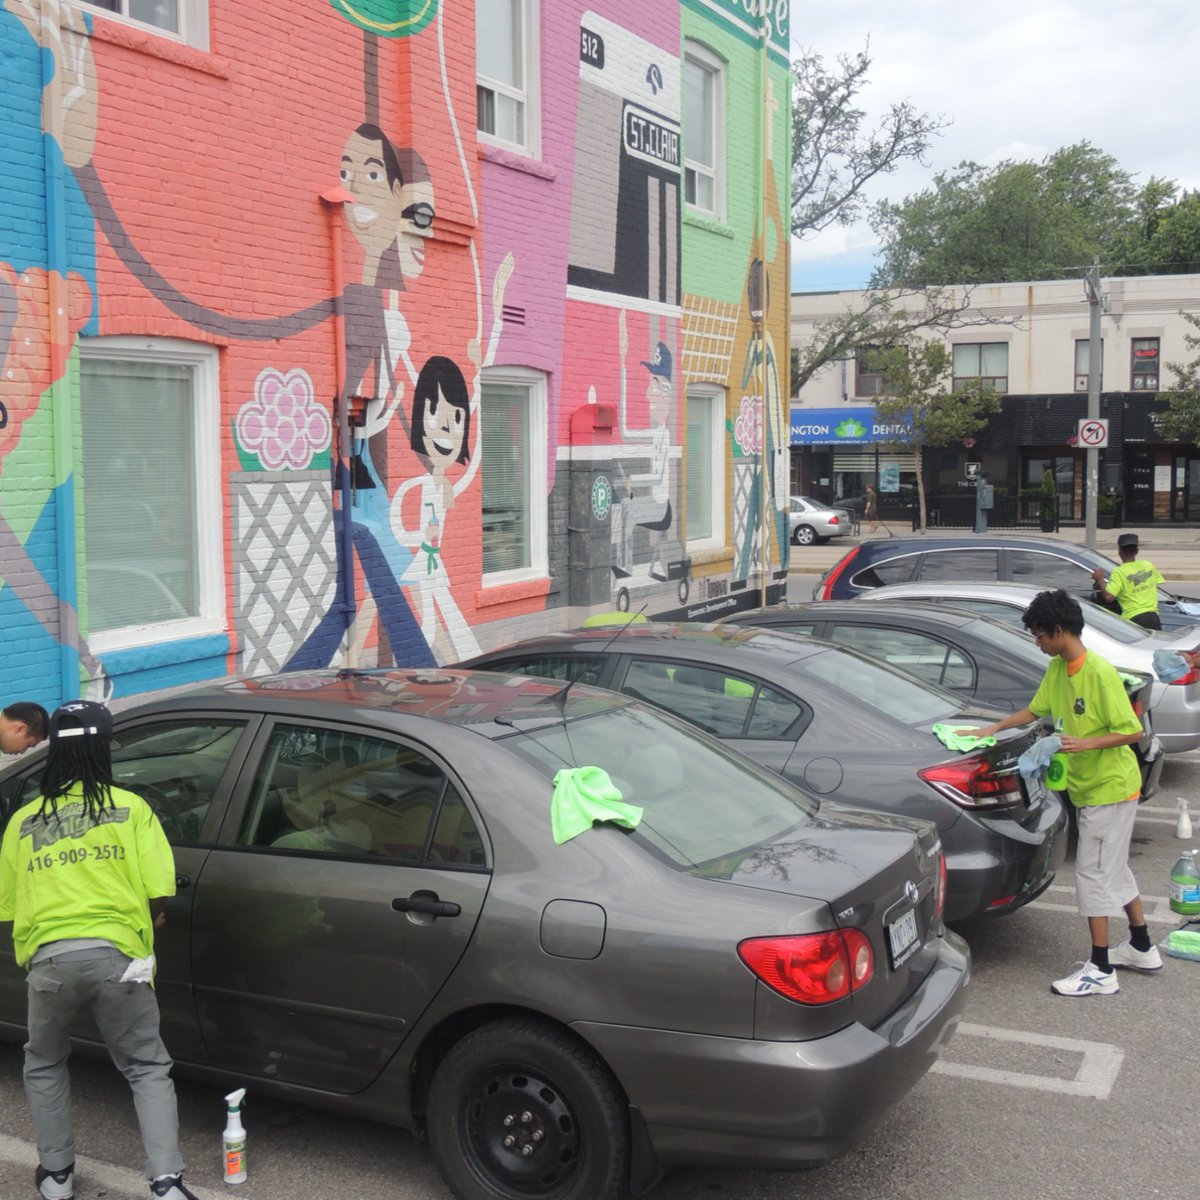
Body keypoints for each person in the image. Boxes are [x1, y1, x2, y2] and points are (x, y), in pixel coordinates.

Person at [0, 701, 198, 1200]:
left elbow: (7, 906)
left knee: (44, 1062)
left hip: (48, 962)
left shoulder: (23, 821)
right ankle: (167, 1181)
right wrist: (147, 916)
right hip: (120, 959)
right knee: (146, 1066)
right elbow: (160, 886)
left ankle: (57, 1177)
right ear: (103, 747)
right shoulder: (132, 808)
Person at [959, 590, 1157, 997]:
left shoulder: (1099, 674)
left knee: (1092, 874)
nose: (1037, 642)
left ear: (1059, 632)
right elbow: (1036, 710)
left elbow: (1132, 730)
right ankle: (1141, 946)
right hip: (1091, 789)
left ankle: (1101, 969)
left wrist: (1086, 744)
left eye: (1039, 635)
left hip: (1111, 790)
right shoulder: (1058, 668)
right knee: (1113, 868)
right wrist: (991, 728)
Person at [1091, 532, 1164, 630]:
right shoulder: (1148, 565)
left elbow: (1109, 597)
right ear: (1137, 551)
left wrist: (1100, 579)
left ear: (1119, 552)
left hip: (1134, 618)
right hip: (1154, 617)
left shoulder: (1119, 572)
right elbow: (1154, 584)